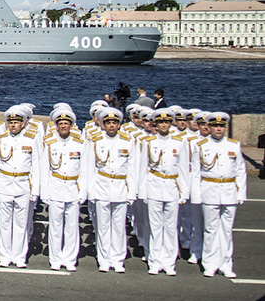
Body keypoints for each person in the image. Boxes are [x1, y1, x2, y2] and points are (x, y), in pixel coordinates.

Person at [191, 112, 247, 278]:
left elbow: (240, 171)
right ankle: (210, 263)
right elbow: (195, 172)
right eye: (215, 126)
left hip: (229, 190)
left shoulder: (234, 145)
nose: (218, 129)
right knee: (210, 229)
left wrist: (241, 193)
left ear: (225, 128)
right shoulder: (201, 145)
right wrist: (196, 195)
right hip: (209, 189)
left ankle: (226, 263)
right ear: (209, 127)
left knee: (227, 231)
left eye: (221, 126)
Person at [139, 109, 189, 276]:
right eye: (160, 123)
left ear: (170, 124)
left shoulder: (179, 143)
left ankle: (169, 262)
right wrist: (142, 191)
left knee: (170, 227)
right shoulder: (148, 142)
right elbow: (142, 168)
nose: (164, 125)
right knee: (155, 226)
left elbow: (183, 170)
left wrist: (184, 192)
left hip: (172, 187)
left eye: (167, 122)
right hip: (154, 185)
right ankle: (154, 260)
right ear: (156, 125)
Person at [87, 107, 137, 273]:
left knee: (119, 227)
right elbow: (89, 168)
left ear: (119, 124)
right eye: (108, 122)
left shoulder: (127, 141)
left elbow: (132, 170)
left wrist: (131, 193)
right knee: (103, 227)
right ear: (103, 124)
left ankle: (118, 259)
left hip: (120, 189)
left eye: (114, 122)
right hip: (101, 187)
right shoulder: (96, 140)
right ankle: (104, 259)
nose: (111, 125)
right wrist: (91, 191)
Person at [0, 106, 40, 268]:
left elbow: (36, 166)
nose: (13, 125)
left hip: (23, 185)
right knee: (4, 223)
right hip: (4, 184)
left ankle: (19, 256)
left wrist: (35, 190)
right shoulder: (0, 138)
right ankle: (4, 256)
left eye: (17, 122)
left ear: (24, 124)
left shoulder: (31, 139)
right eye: (11, 122)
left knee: (21, 224)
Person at [40, 108, 87, 272]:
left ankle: (69, 259)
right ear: (57, 126)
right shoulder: (50, 144)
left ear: (71, 126)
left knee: (72, 226)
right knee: (55, 226)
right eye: (60, 124)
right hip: (55, 187)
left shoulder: (80, 144)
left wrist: (83, 192)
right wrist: (44, 193)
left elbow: (84, 170)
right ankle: (55, 258)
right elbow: (45, 170)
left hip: (73, 188)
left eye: (66, 123)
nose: (63, 126)